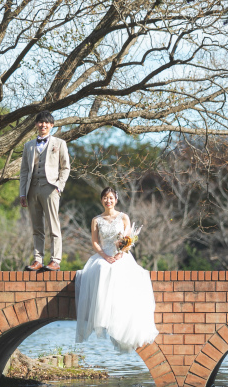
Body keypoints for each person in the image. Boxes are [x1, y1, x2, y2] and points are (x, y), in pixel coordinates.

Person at [75, 187, 159, 352]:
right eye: (105, 198)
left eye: (111, 198)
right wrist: (105, 256)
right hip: (103, 255)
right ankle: (103, 317)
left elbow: (128, 240)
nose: (108, 201)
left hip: (121, 255)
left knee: (120, 270)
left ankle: (119, 318)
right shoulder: (96, 220)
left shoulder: (123, 217)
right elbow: (95, 242)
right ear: (102, 200)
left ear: (116, 200)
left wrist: (120, 254)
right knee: (101, 268)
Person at [19, 111, 70, 271]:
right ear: (36, 124)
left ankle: (55, 260)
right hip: (32, 188)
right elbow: (24, 171)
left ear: (52, 125)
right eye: (40, 122)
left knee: (53, 226)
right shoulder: (28, 145)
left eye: (47, 123)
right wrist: (22, 192)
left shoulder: (59, 143)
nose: (43, 125)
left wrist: (59, 186)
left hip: (50, 188)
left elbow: (65, 167)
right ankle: (37, 259)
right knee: (37, 227)